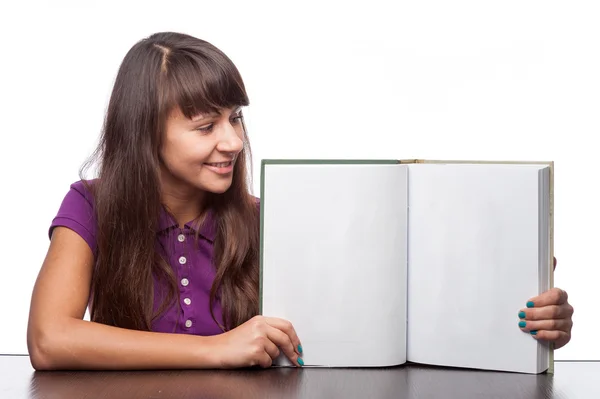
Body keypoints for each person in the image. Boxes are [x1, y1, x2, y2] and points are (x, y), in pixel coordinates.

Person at [26, 32, 574, 371]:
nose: (234, 142)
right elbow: (50, 340)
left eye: (235, 118)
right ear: (145, 133)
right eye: (205, 125)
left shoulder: (272, 219)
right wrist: (217, 350)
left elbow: (386, 311)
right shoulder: (90, 207)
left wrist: (519, 311)